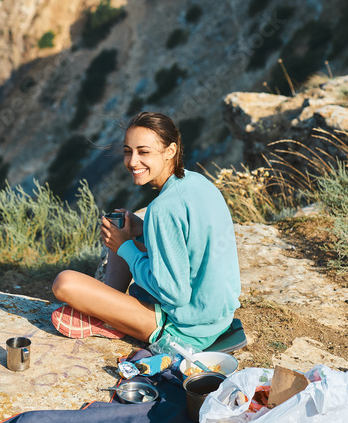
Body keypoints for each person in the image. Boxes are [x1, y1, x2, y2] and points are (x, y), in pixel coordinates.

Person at [51, 111, 241, 351]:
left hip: (185, 329)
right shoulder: (198, 183)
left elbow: (176, 295)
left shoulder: (163, 208)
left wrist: (124, 247)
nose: (132, 161)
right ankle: (110, 310)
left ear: (170, 151)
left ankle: (110, 316)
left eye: (144, 152)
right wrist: (142, 230)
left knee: (64, 283)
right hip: (217, 317)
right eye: (128, 151)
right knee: (125, 230)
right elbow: (188, 245)